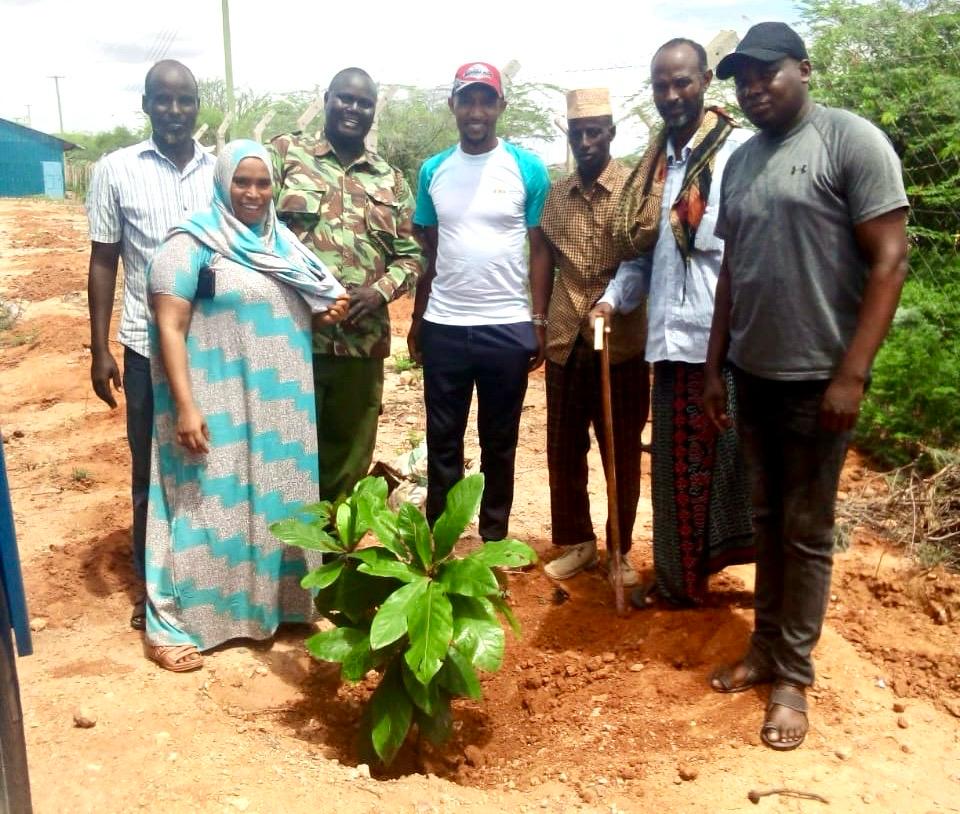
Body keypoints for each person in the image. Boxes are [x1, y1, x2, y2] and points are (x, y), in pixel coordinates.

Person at [704, 23, 909, 750]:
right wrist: (712, 364)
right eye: (742, 79)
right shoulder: (741, 162)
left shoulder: (850, 142)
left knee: (807, 529)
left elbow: (889, 259)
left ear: (805, 69)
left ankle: (793, 674)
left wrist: (852, 373)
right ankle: (764, 648)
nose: (755, 88)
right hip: (752, 374)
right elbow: (732, 271)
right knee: (765, 519)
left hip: (820, 379)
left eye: (768, 73)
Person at [144, 140, 349, 672]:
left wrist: (321, 312)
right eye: (242, 181)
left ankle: (280, 608)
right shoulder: (191, 244)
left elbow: (309, 298)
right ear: (222, 183)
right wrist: (186, 406)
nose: (253, 193)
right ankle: (175, 622)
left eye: (262, 183)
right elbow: (170, 325)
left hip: (282, 403)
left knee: (277, 504)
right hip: (218, 401)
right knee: (207, 504)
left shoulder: (283, 243)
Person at [590, 38, 755, 606]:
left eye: (682, 82)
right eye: (661, 85)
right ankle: (682, 584)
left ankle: (755, 585)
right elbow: (643, 256)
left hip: (723, 339)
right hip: (669, 342)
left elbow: (749, 252)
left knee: (731, 468)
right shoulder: (655, 168)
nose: (671, 94)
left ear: (706, 80)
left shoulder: (737, 154)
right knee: (676, 471)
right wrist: (612, 300)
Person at [86, 60, 215, 630]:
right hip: (143, 346)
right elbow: (103, 260)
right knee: (150, 469)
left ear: (197, 105)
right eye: (163, 100)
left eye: (185, 100)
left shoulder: (222, 170)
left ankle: (208, 578)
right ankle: (153, 590)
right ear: (145, 105)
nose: (174, 111)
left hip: (213, 346)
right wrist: (98, 348)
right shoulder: (116, 170)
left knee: (213, 462)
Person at [408, 62, 551, 542]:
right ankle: (440, 544)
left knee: (499, 442)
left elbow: (539, 249)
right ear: (452, 105)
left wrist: (538, 319)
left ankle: (493, 542)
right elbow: (428, 250)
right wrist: (417, 320)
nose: (476, 110)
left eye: (485, 100)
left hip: (506, 326)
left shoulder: (527, 168)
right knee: (442, 441)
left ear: (500, 107)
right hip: (445, 324)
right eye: (466, 99)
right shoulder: (433, 171)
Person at [270, 68, 424, 503]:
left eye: (364, 103)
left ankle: (333, 561)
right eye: (345, 99)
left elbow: (413, 255)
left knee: (347, 460)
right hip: (292, 337)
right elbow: (252, 229)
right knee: (283, 454)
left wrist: (380, 291)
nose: (354, 109)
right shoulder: (286, 155)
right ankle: (284, 562)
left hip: (361, 344)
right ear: (327, 99)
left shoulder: (390, 179)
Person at [539, 89, 648, 586]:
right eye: (577, 133)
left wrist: (613, 303)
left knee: (619, 448)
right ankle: (579, 542)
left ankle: (619, 549)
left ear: (611, 133)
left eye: (594, 132)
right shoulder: (556, 196)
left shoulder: (633, 190)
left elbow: (641, 262)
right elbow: (544, 259)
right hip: (565, 336)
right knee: (564, 449)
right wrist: (539, 321)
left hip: (620, 340)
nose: (585, 141)